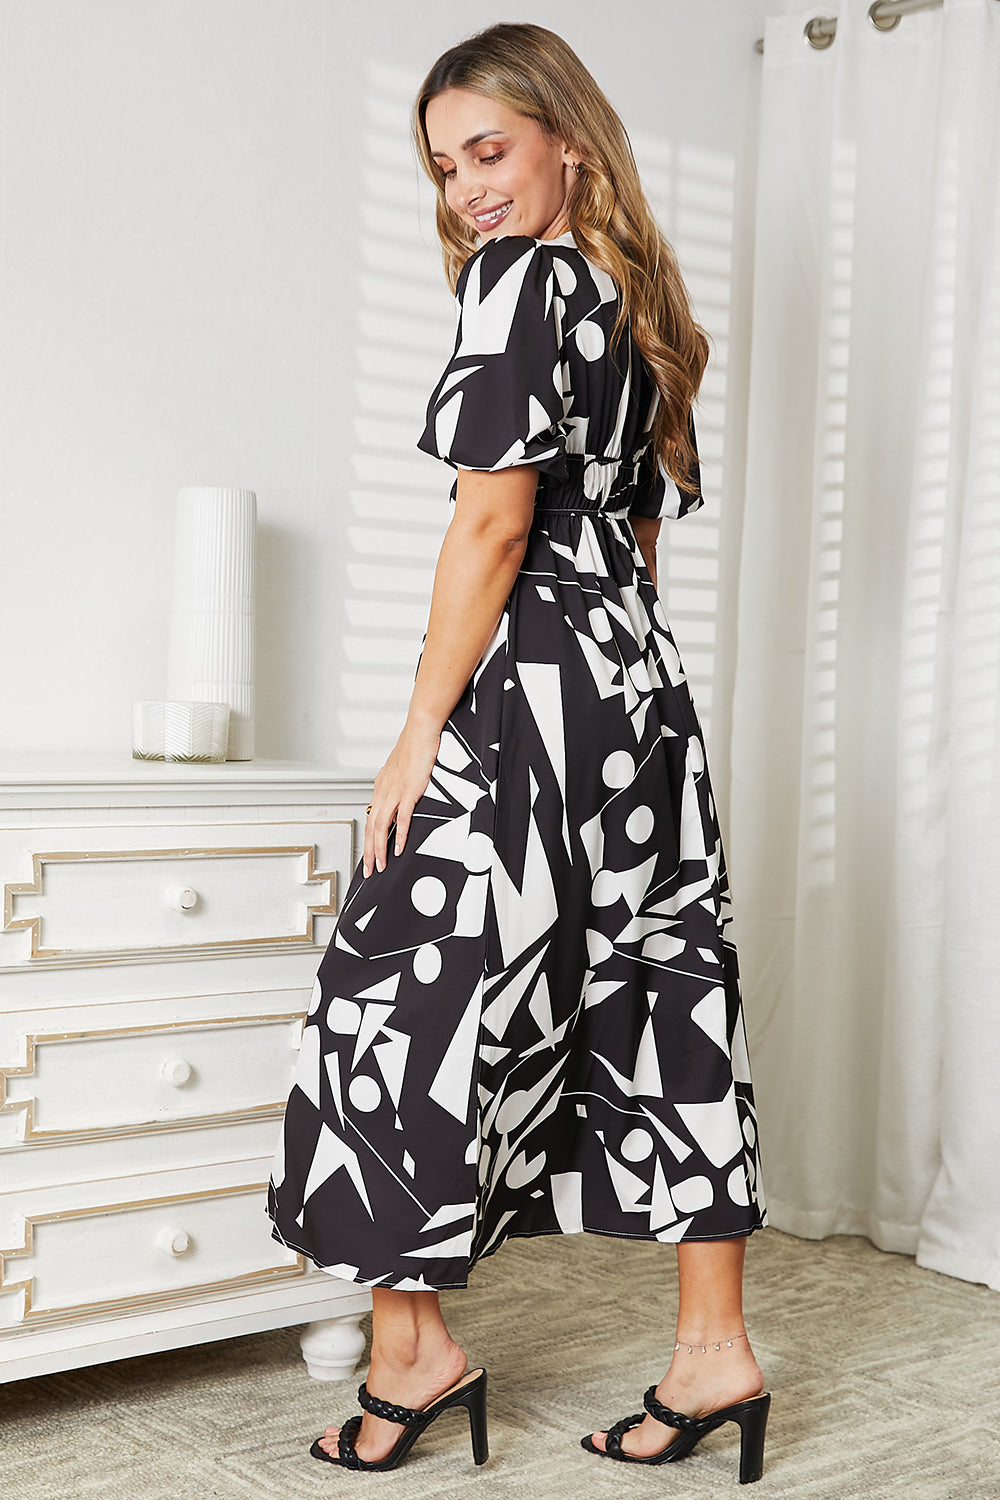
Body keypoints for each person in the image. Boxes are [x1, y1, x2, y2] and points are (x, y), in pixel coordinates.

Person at [266, 20, 770, 1482]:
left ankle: (413, 1352)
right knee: (665, 988)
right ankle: (714, 1353)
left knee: (387, 998)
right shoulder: (644, 299)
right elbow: (645, 542)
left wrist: (420, 731)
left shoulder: (526, 282)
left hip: (536, 678)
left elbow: (494, 521)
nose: (466, 192)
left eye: (489, 151)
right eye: (442, 168)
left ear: (567, 137)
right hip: (639, 687)